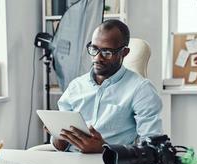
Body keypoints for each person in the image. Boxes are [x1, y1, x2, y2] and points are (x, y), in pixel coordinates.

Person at [50, 19, 163, 153]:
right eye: (94, 49)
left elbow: (152, 149)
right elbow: (60, 146)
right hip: (69, 163)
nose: (97, 58)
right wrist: (59, 137)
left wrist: (104, 149)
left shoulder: (141, 89)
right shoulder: (76, 86)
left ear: (124, 52)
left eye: (107, 52)